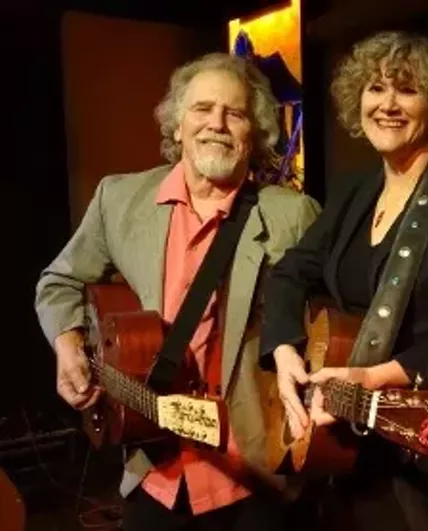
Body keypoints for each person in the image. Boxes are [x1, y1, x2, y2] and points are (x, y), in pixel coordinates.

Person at [34, 53, 321, 531]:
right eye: (202, 109)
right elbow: (59, 281)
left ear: (256, 131)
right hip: (153, 468)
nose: (217, 125)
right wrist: (67, 346)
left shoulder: (293, 214)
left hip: (252, 474)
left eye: (235, 113)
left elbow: (329, 323)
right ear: (177, 124)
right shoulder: (119, 199)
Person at [260, 31, 428, 530]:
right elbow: (289, 272)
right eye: (375, 88)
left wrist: (373, 378)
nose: (387, 104)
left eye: (407, 90)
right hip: (350, 451)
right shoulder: (354, 192)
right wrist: (283, 352)